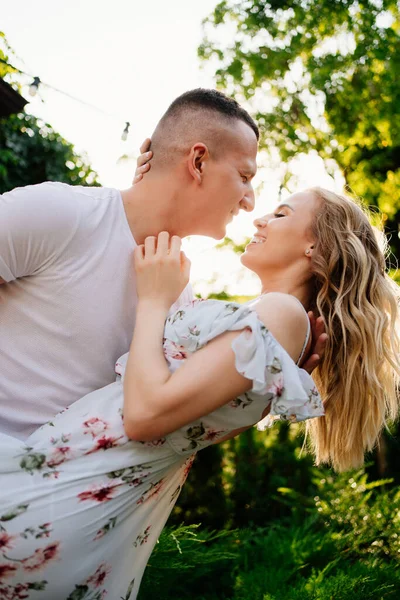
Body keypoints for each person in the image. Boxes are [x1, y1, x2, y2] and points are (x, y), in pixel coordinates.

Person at [1, 187, 399, 599]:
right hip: (65, 493)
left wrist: (154, 300)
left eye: (280, 214)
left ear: (315, 247)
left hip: (54, 497)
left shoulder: (280, 313)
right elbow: (187, 429)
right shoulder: (271, 323)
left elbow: (143, 418)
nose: (260, 218)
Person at [0, 88, 325, 442]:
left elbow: (159, 422)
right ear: (198, 162)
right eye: (244, 177)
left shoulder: (180, 297)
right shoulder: (62, 214)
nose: (250, 203)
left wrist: (258, 389)